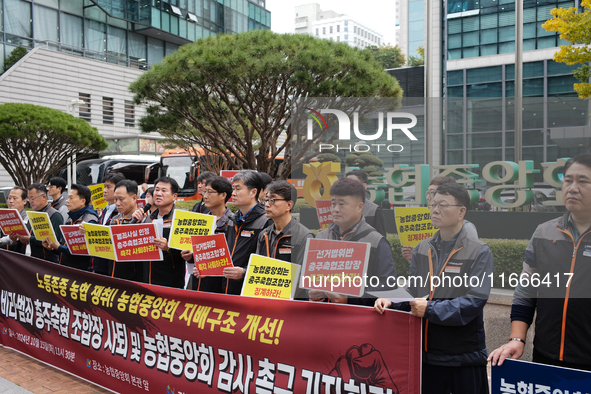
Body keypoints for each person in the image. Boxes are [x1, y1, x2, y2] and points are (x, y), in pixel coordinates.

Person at [374, 182, 493, 394]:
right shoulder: (422, 248)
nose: (435, 210)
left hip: (463, 358)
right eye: (433, 204)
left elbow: (474, 300)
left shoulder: (479, 251)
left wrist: (429, 309)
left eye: (443, 205)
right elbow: (412, 292)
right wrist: (392, 301)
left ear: (461, 211)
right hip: (425, 355)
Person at [488, 153, 591, 371]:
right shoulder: (544, 232)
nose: (572, 188)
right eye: (568, 180)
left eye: (583, 181)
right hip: (546, 356)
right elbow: (526, 290)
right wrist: (517, 339)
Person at [310, 178, 397, 306]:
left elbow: (388, 285)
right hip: (323, 315)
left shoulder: (376, 241)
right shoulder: (322, 237)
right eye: (333, 204)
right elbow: (309, 277)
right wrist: (311, 292)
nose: (335, 209)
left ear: (359, 207)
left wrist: (350, 298)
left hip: (358, 318)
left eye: (342, 204)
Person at [401, 176, 478, 261]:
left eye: (432, 192)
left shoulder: (468, 230)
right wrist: (413, 257)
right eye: (428, 193)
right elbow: (423, 268)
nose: (428, 197)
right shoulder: (425, 243)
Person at [181, 176, 234, 293]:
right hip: (199, 284)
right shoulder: (201, 222)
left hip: (221, 288)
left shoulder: (232, 223)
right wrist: (190, 257)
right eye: (205, 192)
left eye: (210, 192)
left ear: (223, 195)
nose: (205, 196)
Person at [223, 170, 271, 295]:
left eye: (238, 189)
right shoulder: (232, 220)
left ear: (253, 192)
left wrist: (244, 272)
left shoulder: (266, 222)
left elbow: (268, 264)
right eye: (233, 189)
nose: (233, 193)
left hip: (249, 294)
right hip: (227, 289)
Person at [133, 176, 185, 288]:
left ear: (174, 196)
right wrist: (135, 225)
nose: (158, 193)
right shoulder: (147, 218)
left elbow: (186, 254)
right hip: (146, 282)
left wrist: (168, 248)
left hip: (170, 285)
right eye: (156, 190)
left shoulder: (180, 220)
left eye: (164, 190)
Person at [42, 184, 98, 271]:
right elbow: (64, 247)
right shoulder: (71, 217)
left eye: (71, 198)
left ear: (82, 201)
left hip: (80, 273)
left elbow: (83, 251)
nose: (67, 201)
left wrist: (58, 247)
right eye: (68, 198)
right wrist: (52, 247)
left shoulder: (90, 220)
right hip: (66, 270)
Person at [256, 180, 313, 265]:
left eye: (272, 200)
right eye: (266, 200)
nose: (267, 204)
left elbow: (303, 273)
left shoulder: (304, 237)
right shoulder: (264, 234)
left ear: (289, 205)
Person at [108, 180, 150, 282]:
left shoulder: (144, 221)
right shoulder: (114, 220)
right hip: (112, 278)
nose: (117, 203)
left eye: (121, 199)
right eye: (115, 199)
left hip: (133, 281)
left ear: (134, 198)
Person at [12, 184, 63, 263]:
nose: (30, 202)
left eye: (32, 198)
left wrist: (30, 239)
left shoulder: (55, 215)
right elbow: (28, 234)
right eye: (29, 199)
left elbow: (54, 241)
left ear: (43, 197)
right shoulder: (32, 214)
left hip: (47, 263)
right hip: (30, 261)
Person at [91, 172, 126, 275]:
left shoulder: (121, 213)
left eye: (108, 187)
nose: (104, 191)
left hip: (113, 267)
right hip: (99, 264)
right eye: (104, 187)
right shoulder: (103, 210)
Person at [346, 170, 387, 238]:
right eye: (346, 182)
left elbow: (381, 240)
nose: (347, 186)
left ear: (364, 186)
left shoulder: (374, 210)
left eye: (352, 183)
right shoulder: (339, 208)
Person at [1, 186, 28, 254]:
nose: (11, 201)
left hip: (18, 258)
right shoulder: (3, 216)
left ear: (24, 201)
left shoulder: (27, 218)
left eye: (15, 198)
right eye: (9, 198)